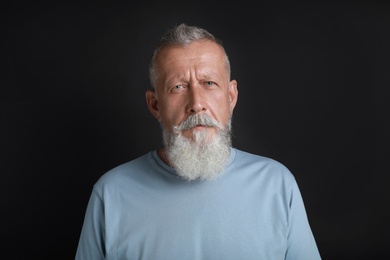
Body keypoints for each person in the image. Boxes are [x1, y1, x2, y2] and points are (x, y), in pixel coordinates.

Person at [75, 23, 321, 259]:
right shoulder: (111, 194)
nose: (196, 104)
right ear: (155, 105)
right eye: (178, 87)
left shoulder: (277, 185)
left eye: (209, 83)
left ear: (231, 96)